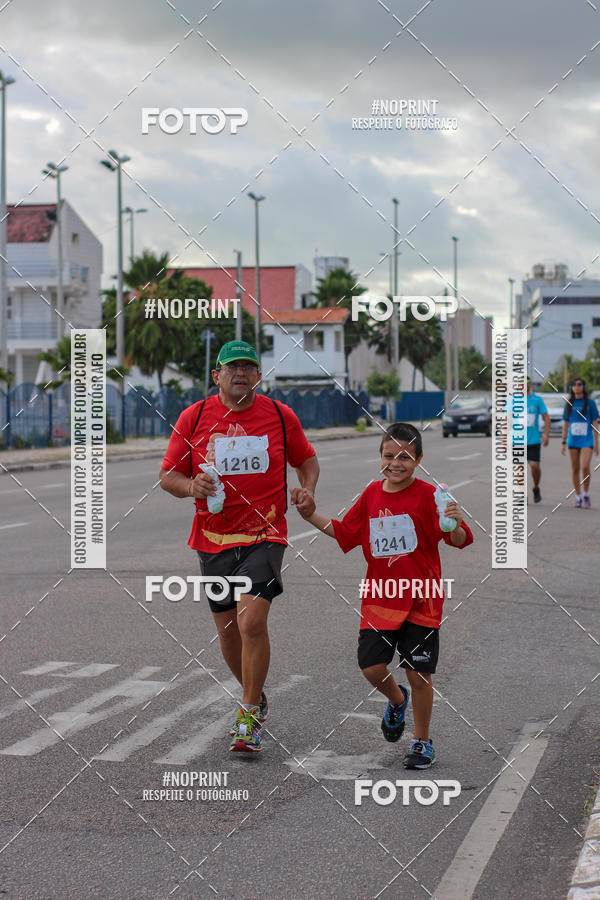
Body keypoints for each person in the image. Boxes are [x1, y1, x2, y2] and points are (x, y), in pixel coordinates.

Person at [159, 340, 319, 752]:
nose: (240, 373)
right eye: (232, 367)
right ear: (217, 376)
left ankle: (247, 715)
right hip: (212, 538)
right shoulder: (193, 418)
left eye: (248, 366)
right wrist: (191, 484)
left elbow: (307, 460)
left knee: (251, 623)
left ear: (258, 375)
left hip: (265, 534)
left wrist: (306, 489)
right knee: (228, 633)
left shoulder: (280, 417)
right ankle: (258, 695)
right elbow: (167, 476)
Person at [294, 422, 473, 769]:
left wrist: (456, 521)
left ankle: (421, 741)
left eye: (405, 457)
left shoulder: (428, 497)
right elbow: (345, 532)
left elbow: (458, 539)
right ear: (380, 457)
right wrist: (309, 514)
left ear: (418, 459)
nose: (396, 462)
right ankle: (396, 699)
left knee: (418, 674)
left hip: (422, 599)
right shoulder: (371, 494)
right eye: (389, 455)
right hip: (379, 599)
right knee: (372, 667)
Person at [561, 378, 599, 507]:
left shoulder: (591, 403)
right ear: (571, 388)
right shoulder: (568, 403)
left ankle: (586, 494)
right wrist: (563, 441)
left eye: (579, 384)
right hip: (573, 440)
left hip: (586, 440)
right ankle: (578, 496)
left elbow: (595, 422)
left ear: (583, 386)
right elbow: (565, 423)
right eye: (574, 385)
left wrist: (596, 442)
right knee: (575, 468)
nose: (577, 387)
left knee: (584, 466)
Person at [526, 378, 550, 503]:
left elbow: (546, 417)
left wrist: (546, 435)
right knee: (518, 469)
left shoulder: (537, 400)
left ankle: (536, 487)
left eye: (526, 382)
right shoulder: (512, 401)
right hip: (517, 441)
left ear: (530, 384)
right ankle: (520, 494)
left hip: (534, 440)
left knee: (534, 467)